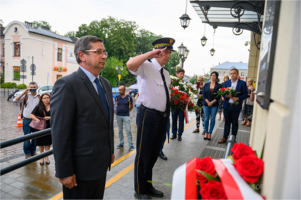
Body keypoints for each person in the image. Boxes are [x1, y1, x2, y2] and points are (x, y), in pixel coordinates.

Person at [51, 35, 115, 199]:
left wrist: (110, 151)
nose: (104, 56)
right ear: (82, 55)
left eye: (104, 52)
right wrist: (64, 171)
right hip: (79, 171)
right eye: (98, 52)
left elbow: (107, 122)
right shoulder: (67, 85)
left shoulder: (105, 84)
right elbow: (60, 132)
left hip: (101, 166)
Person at [127, 37, 174, 199]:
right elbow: (130, 64)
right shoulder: (145, 66)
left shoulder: (166, 73)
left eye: (169, 52)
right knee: (143, 154)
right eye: (165, 52)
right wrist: (150, 54)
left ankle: (148, 185)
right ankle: (139, 190)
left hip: (161, 117)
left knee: (153, 154)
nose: (168, 55)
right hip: (148, 116)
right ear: (157, 53)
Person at [218, 68, 248, 144]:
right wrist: (226, 96)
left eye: (234, 73)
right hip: (227, 106)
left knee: (234, 123)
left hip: (236, 106)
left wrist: (237, 98)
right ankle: (225, 137)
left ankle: (233, 138)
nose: (232, 75)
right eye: (231, 73)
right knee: (227, 122)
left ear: (237, 74)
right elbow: (223, 93)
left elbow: (245, 94)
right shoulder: (227, 82)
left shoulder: (242, 83)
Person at [13, 82, 40, 159]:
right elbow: (14, 100)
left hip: (36, 120)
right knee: (27, 137)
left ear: (37, 88)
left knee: (35, 137)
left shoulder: (39, 96)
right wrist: (24, 92)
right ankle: (27, 153)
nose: (32, 88)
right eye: (31, 87)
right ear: (28, 87)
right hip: (26, 120)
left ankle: (33, 151)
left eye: (34, 87)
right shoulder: (25, 96)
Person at [30, 93, 51, 165]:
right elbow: (31, 114)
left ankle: (46, 157)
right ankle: (41, 157)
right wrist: (37, 119)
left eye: (48, 97)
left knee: (48, 142)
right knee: (41, 142)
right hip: (40, 127)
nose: (46, 99)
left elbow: (57, 115)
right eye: (44, 98)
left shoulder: (53, 106)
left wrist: (50, 117)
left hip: (49, 126)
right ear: (41, 99)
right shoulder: (38, 107)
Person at [202, 72, 221, 140]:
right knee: (206, 118)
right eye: (211, 75)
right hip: (206, 104)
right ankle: (206, 132)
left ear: (216, 77)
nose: (212, 77)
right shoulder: (206, 84)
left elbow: (218, 95)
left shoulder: (219, 85)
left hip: (214, 105)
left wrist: (212, 102)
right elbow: (203, 94)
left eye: (214, 76)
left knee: (212, 119)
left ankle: (210, 133)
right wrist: (208, 102)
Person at [115, 85, 135, 151]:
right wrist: (116, 110)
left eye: (121, 90)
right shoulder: (117, 97)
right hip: (118, 115)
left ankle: (131, 144)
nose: (120, 91)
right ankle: (121, 143)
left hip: (126, 115)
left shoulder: (129, 97)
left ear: (124, 90)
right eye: (119, 90)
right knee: (120, 130)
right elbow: (116, 105)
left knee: (128, 130)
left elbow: (131, 106)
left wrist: (127, 111)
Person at [170, 68, 185, 141]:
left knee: (181, 119)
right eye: (181, 74)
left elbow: (187, 93)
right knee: (174, 119)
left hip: (182, 104)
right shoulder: (172, 82)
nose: (182, 75)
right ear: (177, 74)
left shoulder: (184, 84)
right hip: (174, 104)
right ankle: (174, 133)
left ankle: (180, 134)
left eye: (183, 74)